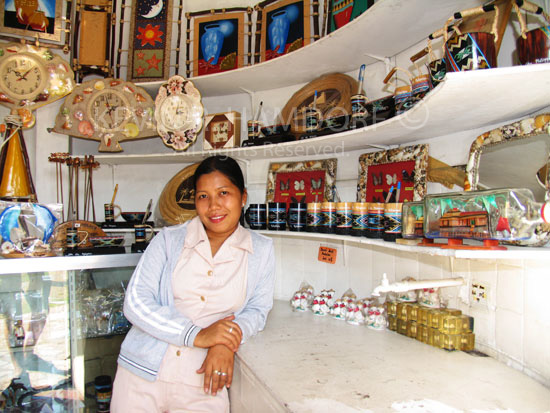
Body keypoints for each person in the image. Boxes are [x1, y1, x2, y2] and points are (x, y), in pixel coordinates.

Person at [111, 156, 275, 412]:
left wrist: (224, 342)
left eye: (223, 193)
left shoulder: (261, 250)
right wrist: (197, 335)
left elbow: (257, 310)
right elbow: (135, 303)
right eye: (203, 196)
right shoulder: (168, 240)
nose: (213, 206)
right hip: (141, 376)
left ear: (243, 197)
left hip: (205, 382)